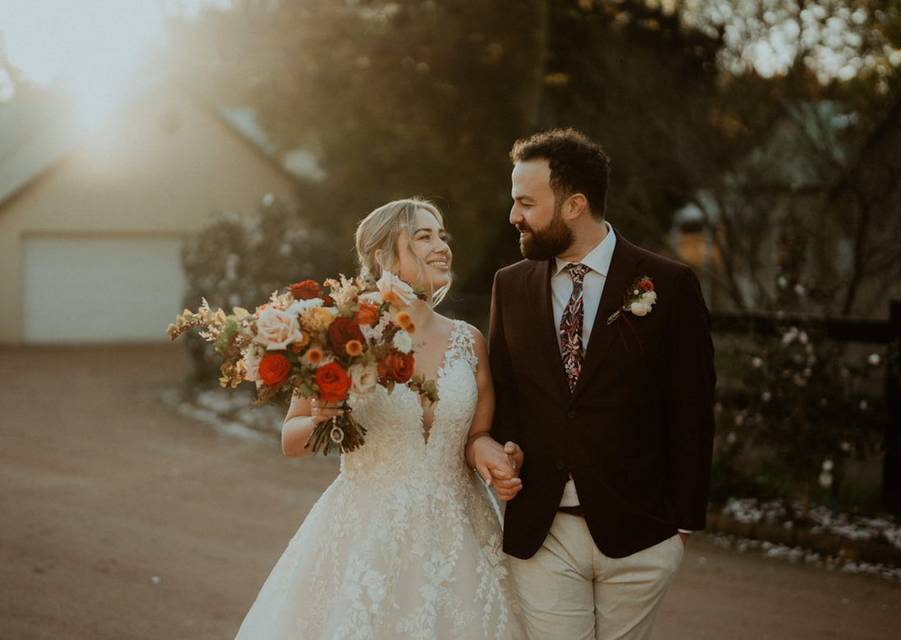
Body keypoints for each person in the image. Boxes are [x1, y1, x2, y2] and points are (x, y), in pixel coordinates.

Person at [235, 198, 525, 639]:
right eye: (423, 236)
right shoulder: (340, 332)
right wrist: (324, 419)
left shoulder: (469, 340)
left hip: (463, 534)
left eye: (442, 235)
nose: (441, 245)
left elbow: (476, 435)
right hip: (368, 533)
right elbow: (291, 438)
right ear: (382, 256)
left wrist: (490, 452)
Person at [483, 129, 717, 639]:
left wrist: (681, 527)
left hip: (640, 534)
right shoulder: (511, 285)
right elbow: (504, 393)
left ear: (575, 204)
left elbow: (693, 406)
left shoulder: (668, 285)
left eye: (526, 202)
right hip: (542, 530)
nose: (513, 216)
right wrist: (506, 450)